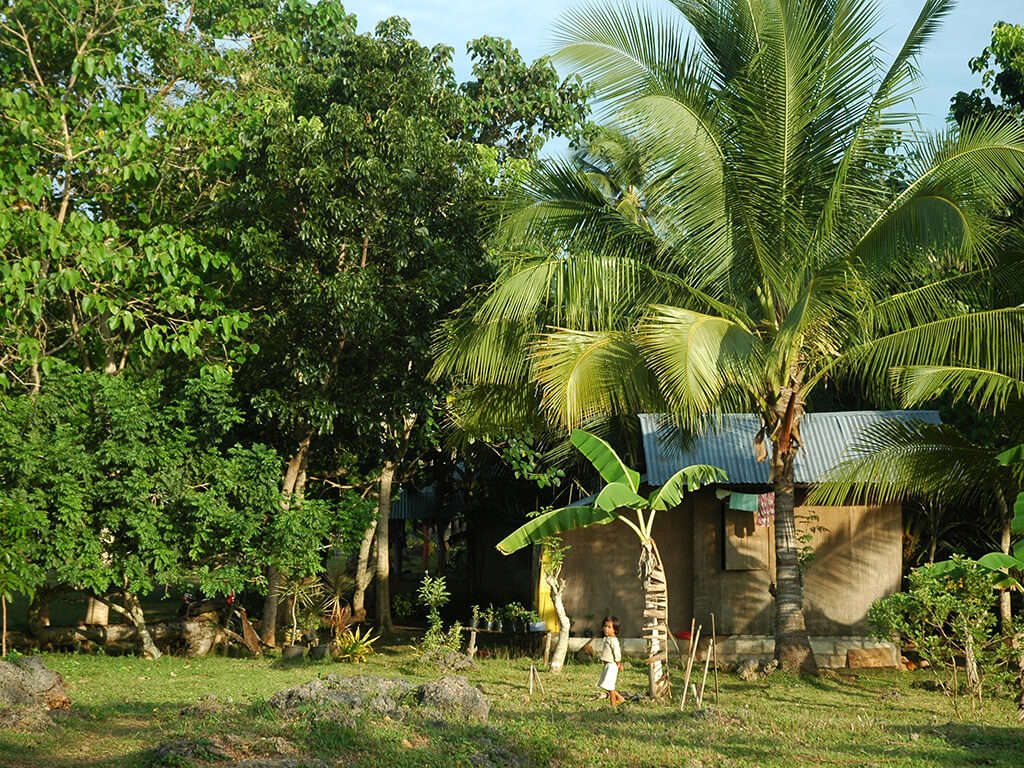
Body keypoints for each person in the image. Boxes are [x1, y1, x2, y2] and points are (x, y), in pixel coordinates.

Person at [598, 615, 624, 707]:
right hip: (607, 665)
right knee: (604, 684)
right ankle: (619, 697)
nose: (606, 629)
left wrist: (618, 663)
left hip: (612, 666)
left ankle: (613, 704)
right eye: (605, 626)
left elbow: (617, 653)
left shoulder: (613, 640)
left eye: (609, 627)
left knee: (610, 686)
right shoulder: (607, 638)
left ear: (615, 630)